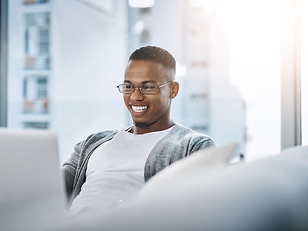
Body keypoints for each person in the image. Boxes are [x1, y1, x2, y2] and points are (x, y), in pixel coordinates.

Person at [61, 46, 217, 220]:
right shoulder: (93, 143)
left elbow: (202, 211)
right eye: (128, 86)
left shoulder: (193, 146)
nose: (135, 97)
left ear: (173, 90)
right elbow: (51, 190)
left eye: (148, 87)